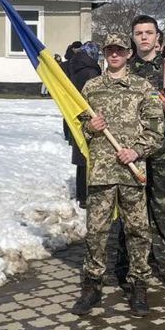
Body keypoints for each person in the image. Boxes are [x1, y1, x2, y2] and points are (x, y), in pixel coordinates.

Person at [72, 33, 165, 317]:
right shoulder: (91, 88)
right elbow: (78, 130)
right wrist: (91, 127)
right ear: (104, 54)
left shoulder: (143, 88)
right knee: (96, 232)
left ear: (128, 54)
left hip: (131, 172)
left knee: (137, 231)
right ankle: (92, 287)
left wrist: (136, 151)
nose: (114, 55)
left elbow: (156, 131)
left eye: (120, 50)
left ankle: (138, 285)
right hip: (101, 172)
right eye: (110, 50)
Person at [115, 15, 165, 291]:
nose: (144, 37)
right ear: (133, 38)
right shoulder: (124, 69)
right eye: (139, 33)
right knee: (130, 209)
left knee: (162, 208)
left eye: (149, 32)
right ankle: (126, 263)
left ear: (158, 37)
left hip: (162, 149)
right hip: (130, 151)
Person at [62, 44, 102, 207]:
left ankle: (81, 194)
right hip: (89, 117)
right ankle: (87, 195)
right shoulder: (91, 71)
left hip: (74, 116)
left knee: (81, 158)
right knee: (88, 156)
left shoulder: (73, 66)